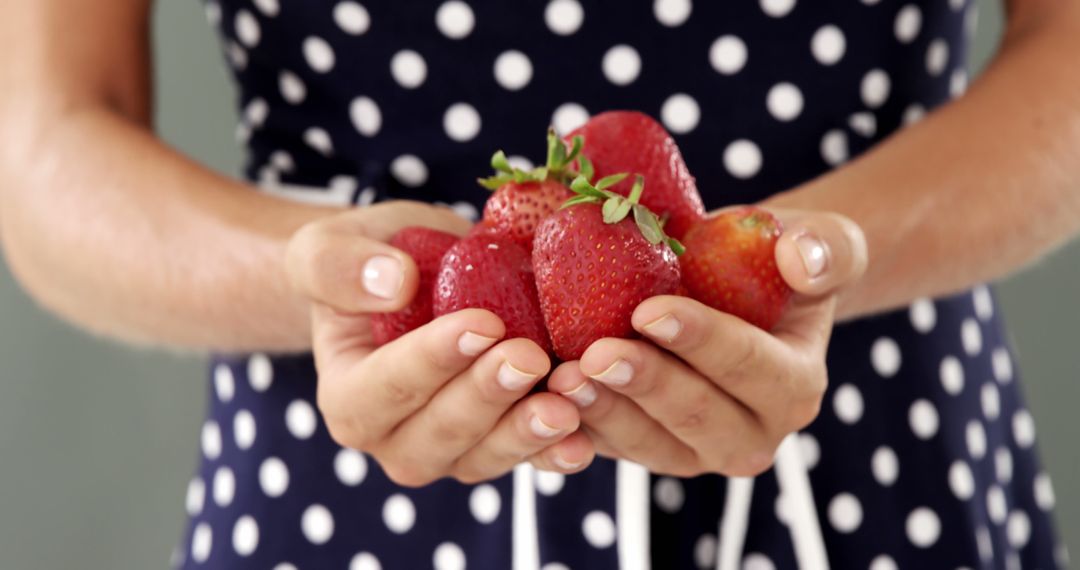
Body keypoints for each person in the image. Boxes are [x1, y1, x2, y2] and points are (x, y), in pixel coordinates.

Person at [1, 0, 1076, 568]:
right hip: (352, 468)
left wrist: (785, 269)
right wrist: (353, 283)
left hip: (865, 448)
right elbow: (49, 145)